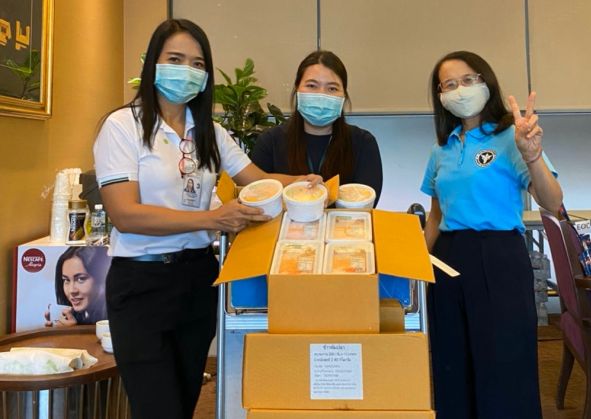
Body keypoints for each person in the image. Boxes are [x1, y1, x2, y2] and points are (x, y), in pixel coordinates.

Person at [93, 19, 321, 419]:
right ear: (153, 64)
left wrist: (304, 181)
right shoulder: (122, 126)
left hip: (198, 279)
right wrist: (212, 219)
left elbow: (257, 179)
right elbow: (125, 214)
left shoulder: (209, 132)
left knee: (183, 401)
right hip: (141, 283)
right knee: (157, 407)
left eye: (197, 64)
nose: (187, 70)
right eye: (175, 59)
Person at [421, 51, 563, 419]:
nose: (460, 89)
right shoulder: (441, 148)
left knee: (503, 362)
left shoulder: (512, 136)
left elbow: (552, 202)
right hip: (447, 260)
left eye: (469, 80)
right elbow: (436, 215)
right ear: (440, 96)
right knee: (452, 361)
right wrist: (415, 267)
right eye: (450, 84)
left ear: (486, 81)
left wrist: (533, 155)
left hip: (499, 256)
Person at [250, 50, 383, 206]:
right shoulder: (270, 141)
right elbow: (255, 200)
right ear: (297, 89)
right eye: (312, 86)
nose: (321, 96)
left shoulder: (363, 143)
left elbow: (366, 206)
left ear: (344, 96)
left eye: (332, 88)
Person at [44, 246, 109, 326]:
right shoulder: (80, 315)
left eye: (81, 279)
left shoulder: (116, 317)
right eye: (66, 280)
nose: (72, 290)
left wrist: (74, 332)